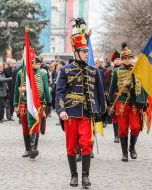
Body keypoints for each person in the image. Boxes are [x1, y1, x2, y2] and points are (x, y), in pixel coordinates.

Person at [55, 18, 106, 187]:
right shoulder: (65, 70)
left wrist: (100, 113)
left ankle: (85, 176)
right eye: (83, 51)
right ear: (76, 52)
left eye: (87, 51)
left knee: (86, 144)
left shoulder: (94, 71)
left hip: (87, 113)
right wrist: (60, 110)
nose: (86, 53)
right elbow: (60, 92)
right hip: (70, 113)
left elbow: (99, 93)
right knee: (71, 146)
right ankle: (73, 175)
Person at [108, 43, 148, 162]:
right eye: (124, 58)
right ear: (121, 59)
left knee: (136, 127)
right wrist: (110, 103)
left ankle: (132, 148)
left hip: (134, 102)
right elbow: (112, 88)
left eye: (128, 58)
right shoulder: (116, 71)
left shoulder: (137, 70)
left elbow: (143, 86)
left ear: (131, 58)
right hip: (121, 102)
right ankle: (124, 153)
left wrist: (143, 101)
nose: (126, 60)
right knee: (123, 129)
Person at [14, 55, 51, 159]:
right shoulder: (20, 73)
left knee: (35, 124)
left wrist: (49, 101)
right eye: (32, 62)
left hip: (37, 104)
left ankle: (34, 148)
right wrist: (15, 104)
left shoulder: (43, 73)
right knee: (25, 126)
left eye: (35, 62)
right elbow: (16, 90)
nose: (35, 64)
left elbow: (46, 88)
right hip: (24, 104)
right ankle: (27, 149)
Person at [105, 50, 121, 143]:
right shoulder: (108, 72)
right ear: (113, 61)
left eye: (119, 59)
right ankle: (116, 135)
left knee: (122, 117)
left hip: (123, 97)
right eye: (116, 59)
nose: (118, 61)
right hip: (113, 97)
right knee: (115, 116)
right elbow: (106, 86)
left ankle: (123, 134)